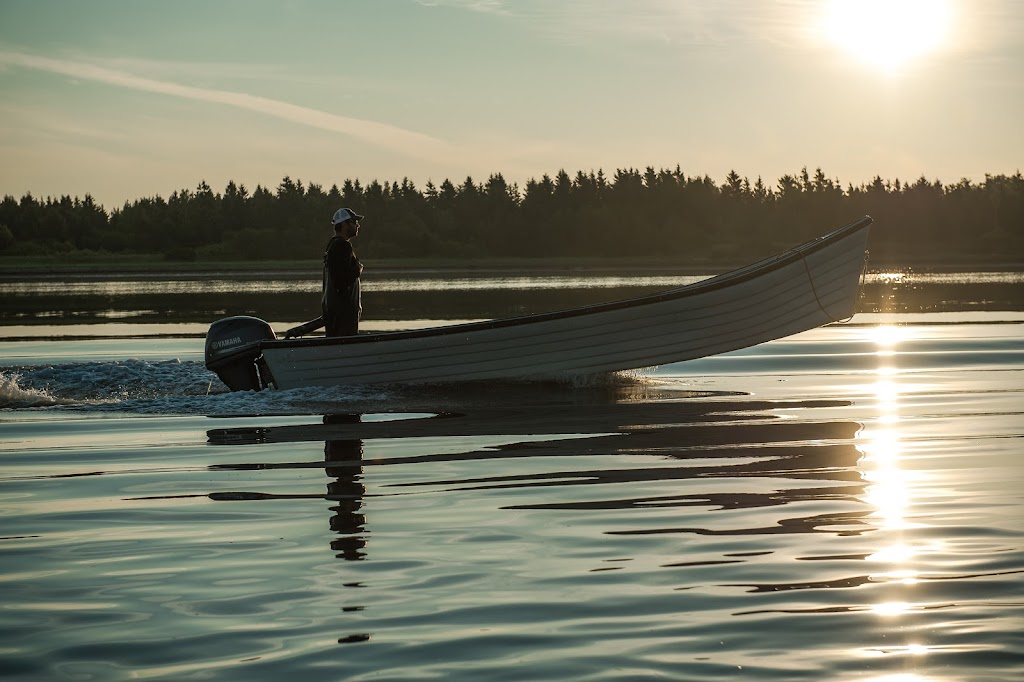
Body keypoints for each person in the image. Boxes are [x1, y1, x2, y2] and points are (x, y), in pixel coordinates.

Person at [322, 207, 364, 336]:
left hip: (335, 314)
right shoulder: (342, 246)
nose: (358, 225)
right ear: (344, 224)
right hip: (343, 316)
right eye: (354, 222)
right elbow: (342, 281)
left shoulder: (332, 245)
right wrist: (358, 268)